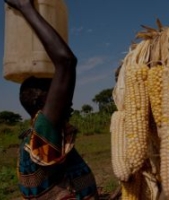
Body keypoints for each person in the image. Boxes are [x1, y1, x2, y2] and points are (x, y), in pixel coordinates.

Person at [4, 0, 99, 199]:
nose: (70, 101)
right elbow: (66, 61)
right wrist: (25, 7)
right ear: (43, 105)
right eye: (60, 95)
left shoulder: (40, 138)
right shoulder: (43, 134)